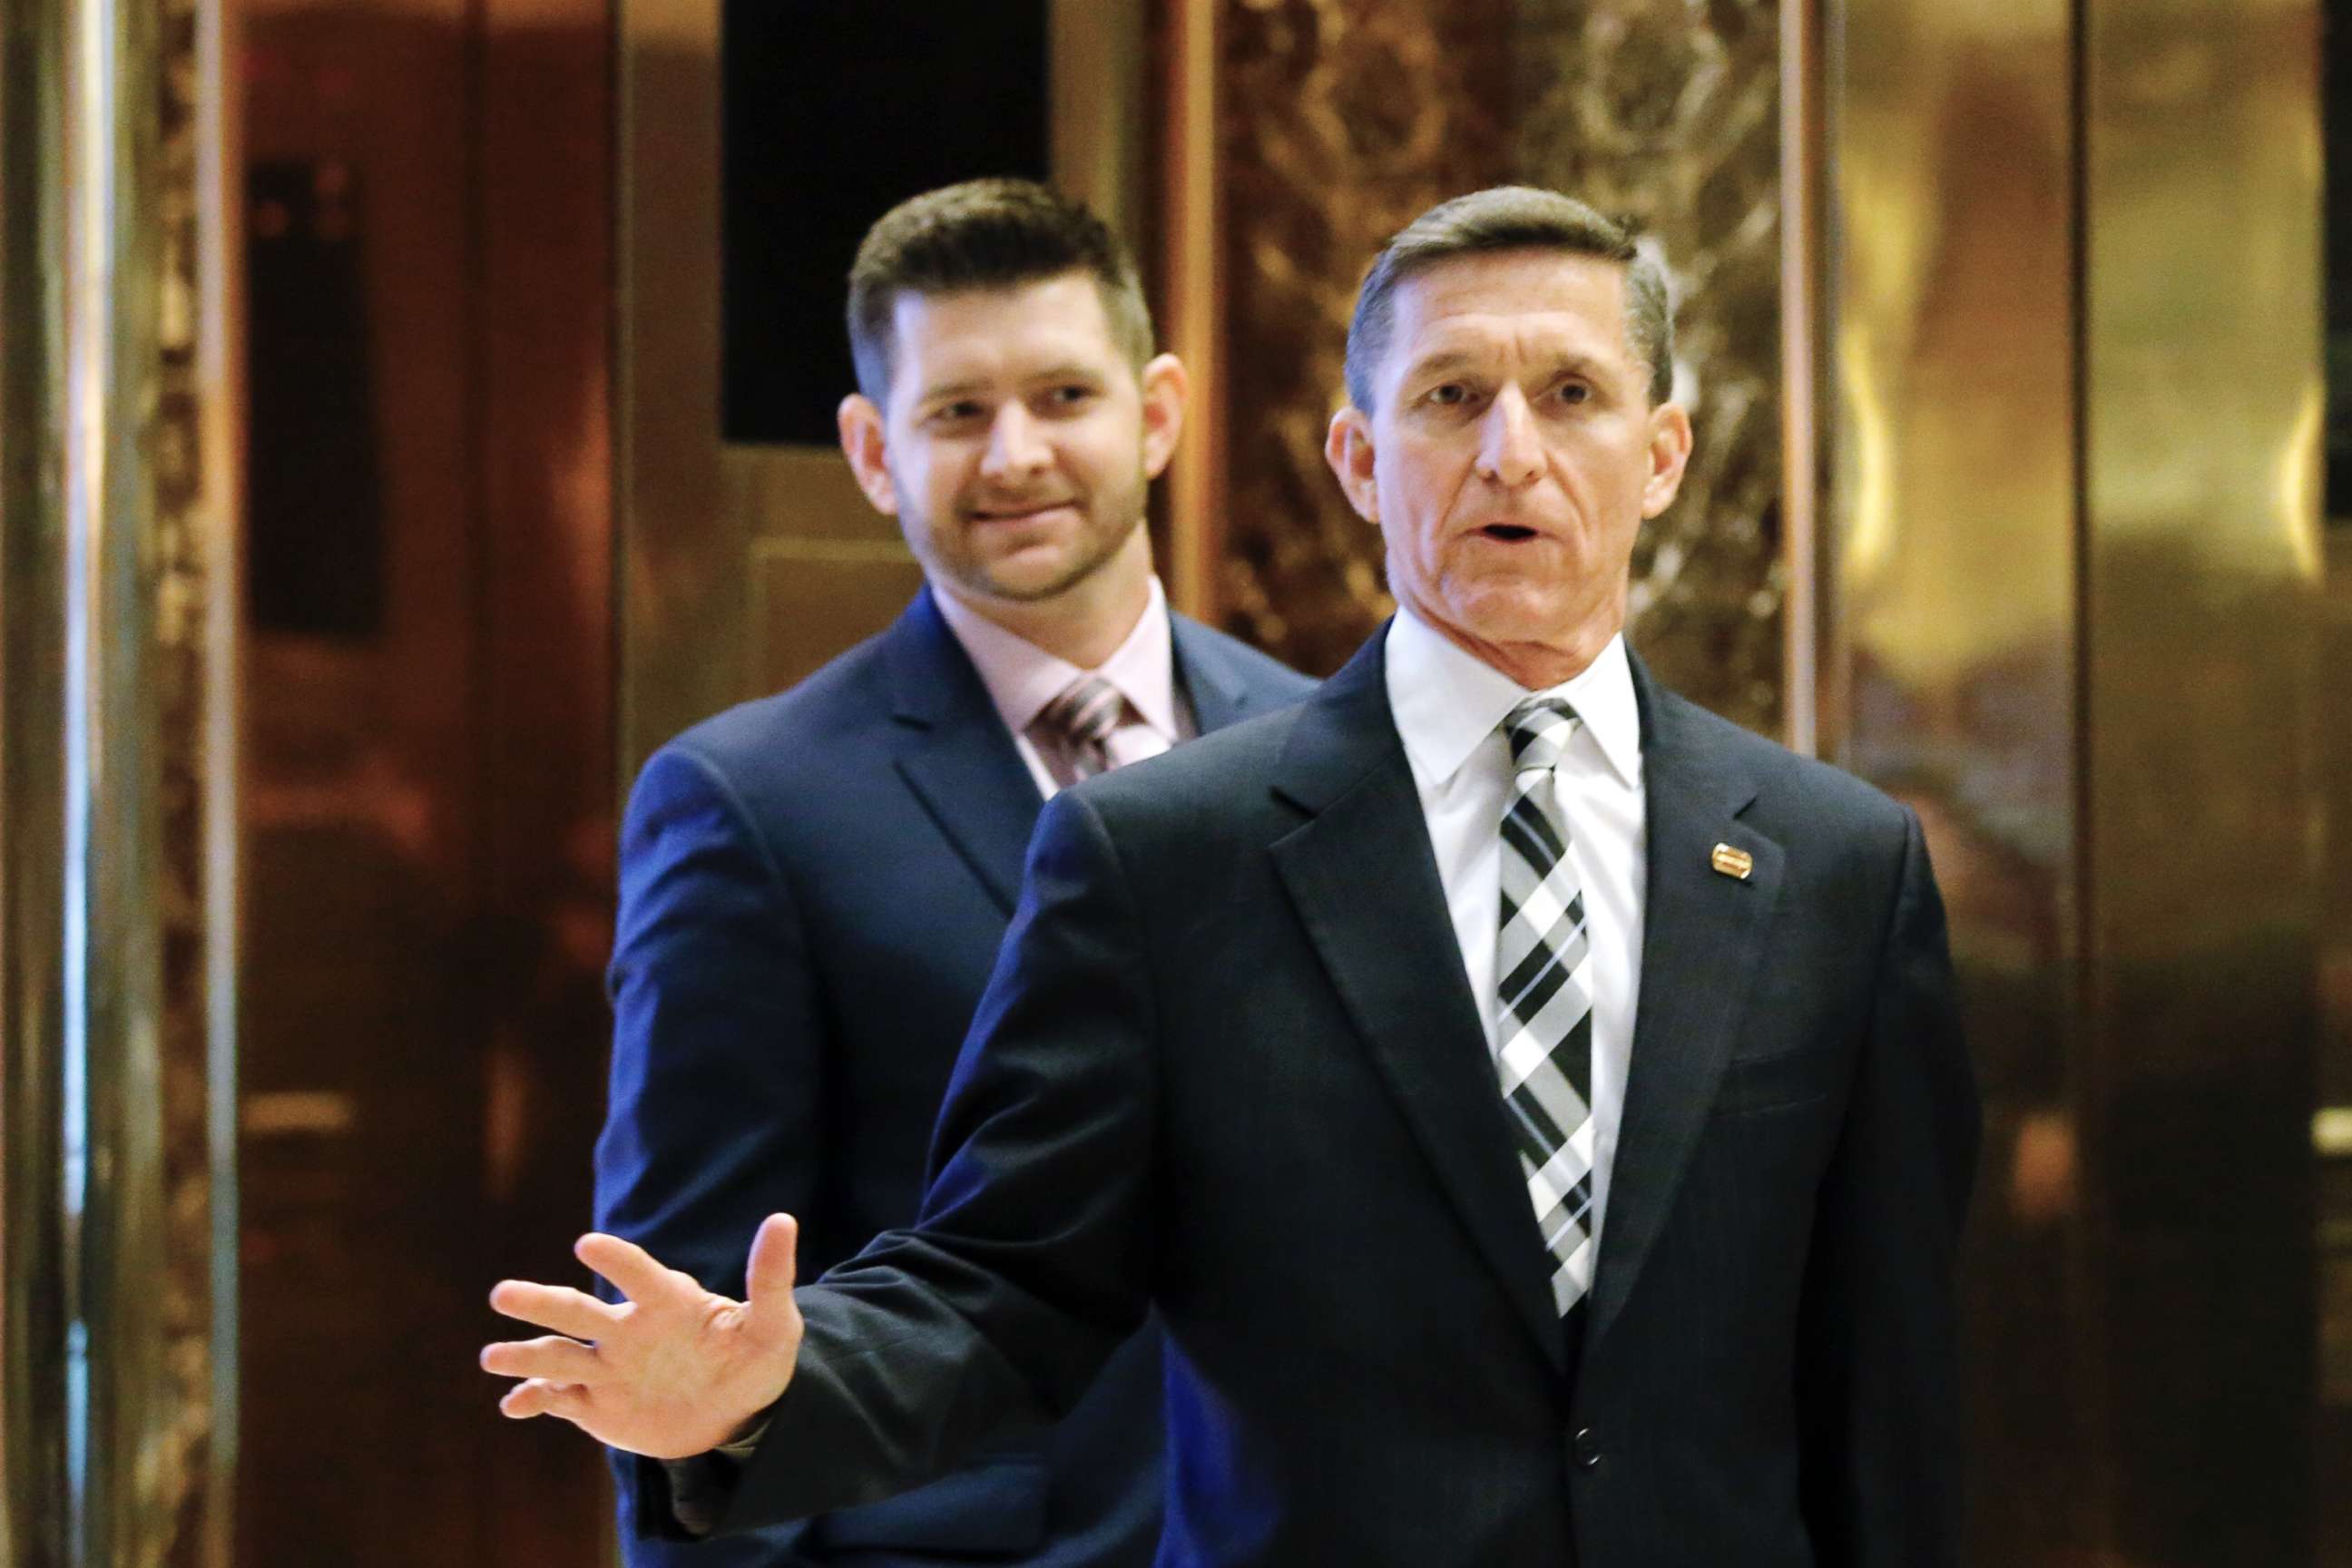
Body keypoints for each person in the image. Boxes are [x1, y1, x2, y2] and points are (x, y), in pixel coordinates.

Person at [491, 186, 1979, 1567]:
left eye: (1571, 394)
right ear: (1356, 457)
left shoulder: (1838, 862)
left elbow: (1890, 1381)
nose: (1509, 452)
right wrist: (760, 1401)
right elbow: (1012, 1289)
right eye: (1450, 398)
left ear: (1661, 457)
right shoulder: (1163, 853)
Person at [586, 178, 1312, 1567]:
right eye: (956, 412)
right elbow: (686, 1353)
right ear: (871, 450)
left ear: (1156, 413)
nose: (1017, 454)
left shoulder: (1326, 747)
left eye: (1062, 397)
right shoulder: (750, 803)